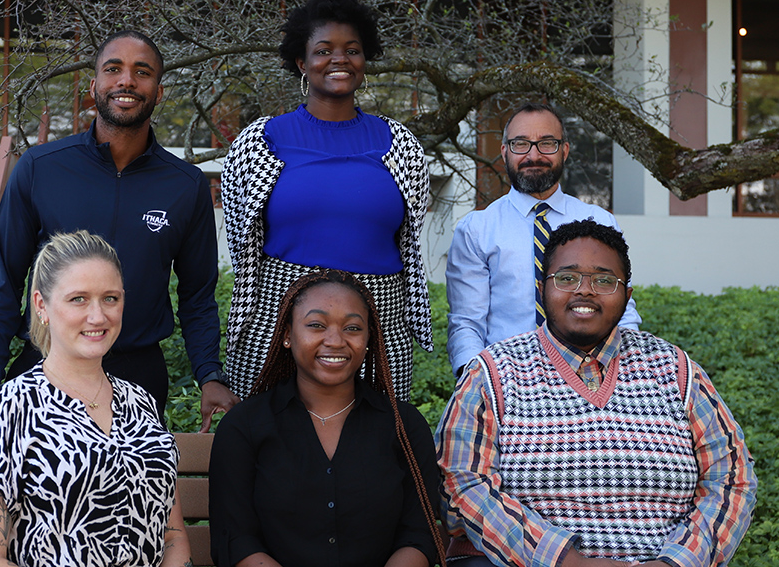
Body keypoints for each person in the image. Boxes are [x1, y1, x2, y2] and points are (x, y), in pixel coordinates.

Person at [0, 30, 237, 432]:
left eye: (142, 72)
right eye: (113, 69)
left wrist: (209, 375)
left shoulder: (186, 185)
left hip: (137, 375)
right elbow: (5, 280)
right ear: (94, 87)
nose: (127, 81)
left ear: (159, 92)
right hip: (45, 366)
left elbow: (197, 296)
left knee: (130, 494)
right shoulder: (40, 168)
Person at [436, 219, 757, 567]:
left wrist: (678, 562)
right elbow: (462, 485)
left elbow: (731, 476)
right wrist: (569, 562)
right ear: (542, 288)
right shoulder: (492, 373)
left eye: (604, 280)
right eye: (567, 277)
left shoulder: (676, 370)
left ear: (627, 296)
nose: (584, 290)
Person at [221, 0, 432, 401]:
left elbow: (409, 238)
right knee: (273, 447)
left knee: (374, 449)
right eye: (323, 50)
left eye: (351, 50)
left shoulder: (401, 145)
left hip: (379, 321)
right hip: (279, 319)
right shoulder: (258, 141)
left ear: (364, 60)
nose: (339, 59)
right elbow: (242, 243)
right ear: (302, 62)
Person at [0, 230, 192, 567]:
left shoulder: (141, 403)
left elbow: (173, 536)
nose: (98, 316)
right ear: (42, 305)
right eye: (78, 299)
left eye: (110, 298)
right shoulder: (6, 409)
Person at [209, 270, 445, 567]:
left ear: (369, 338)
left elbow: (419, 534)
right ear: (286, 335)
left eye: (353, 328)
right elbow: (234, 538)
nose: (335, 340)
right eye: (316, 325)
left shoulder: (404, 426)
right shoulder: (244, 426)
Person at [445, 102, 641, 376]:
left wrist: (628, 372)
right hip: (508, 379)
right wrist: (476, 381)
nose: (533, 155)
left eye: (547, 143)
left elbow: (621, 309)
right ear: (505, 152)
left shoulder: (600, 222)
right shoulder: (477, 229)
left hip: (591, 375)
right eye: (521, 144)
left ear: (565, 150)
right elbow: (466, 323)